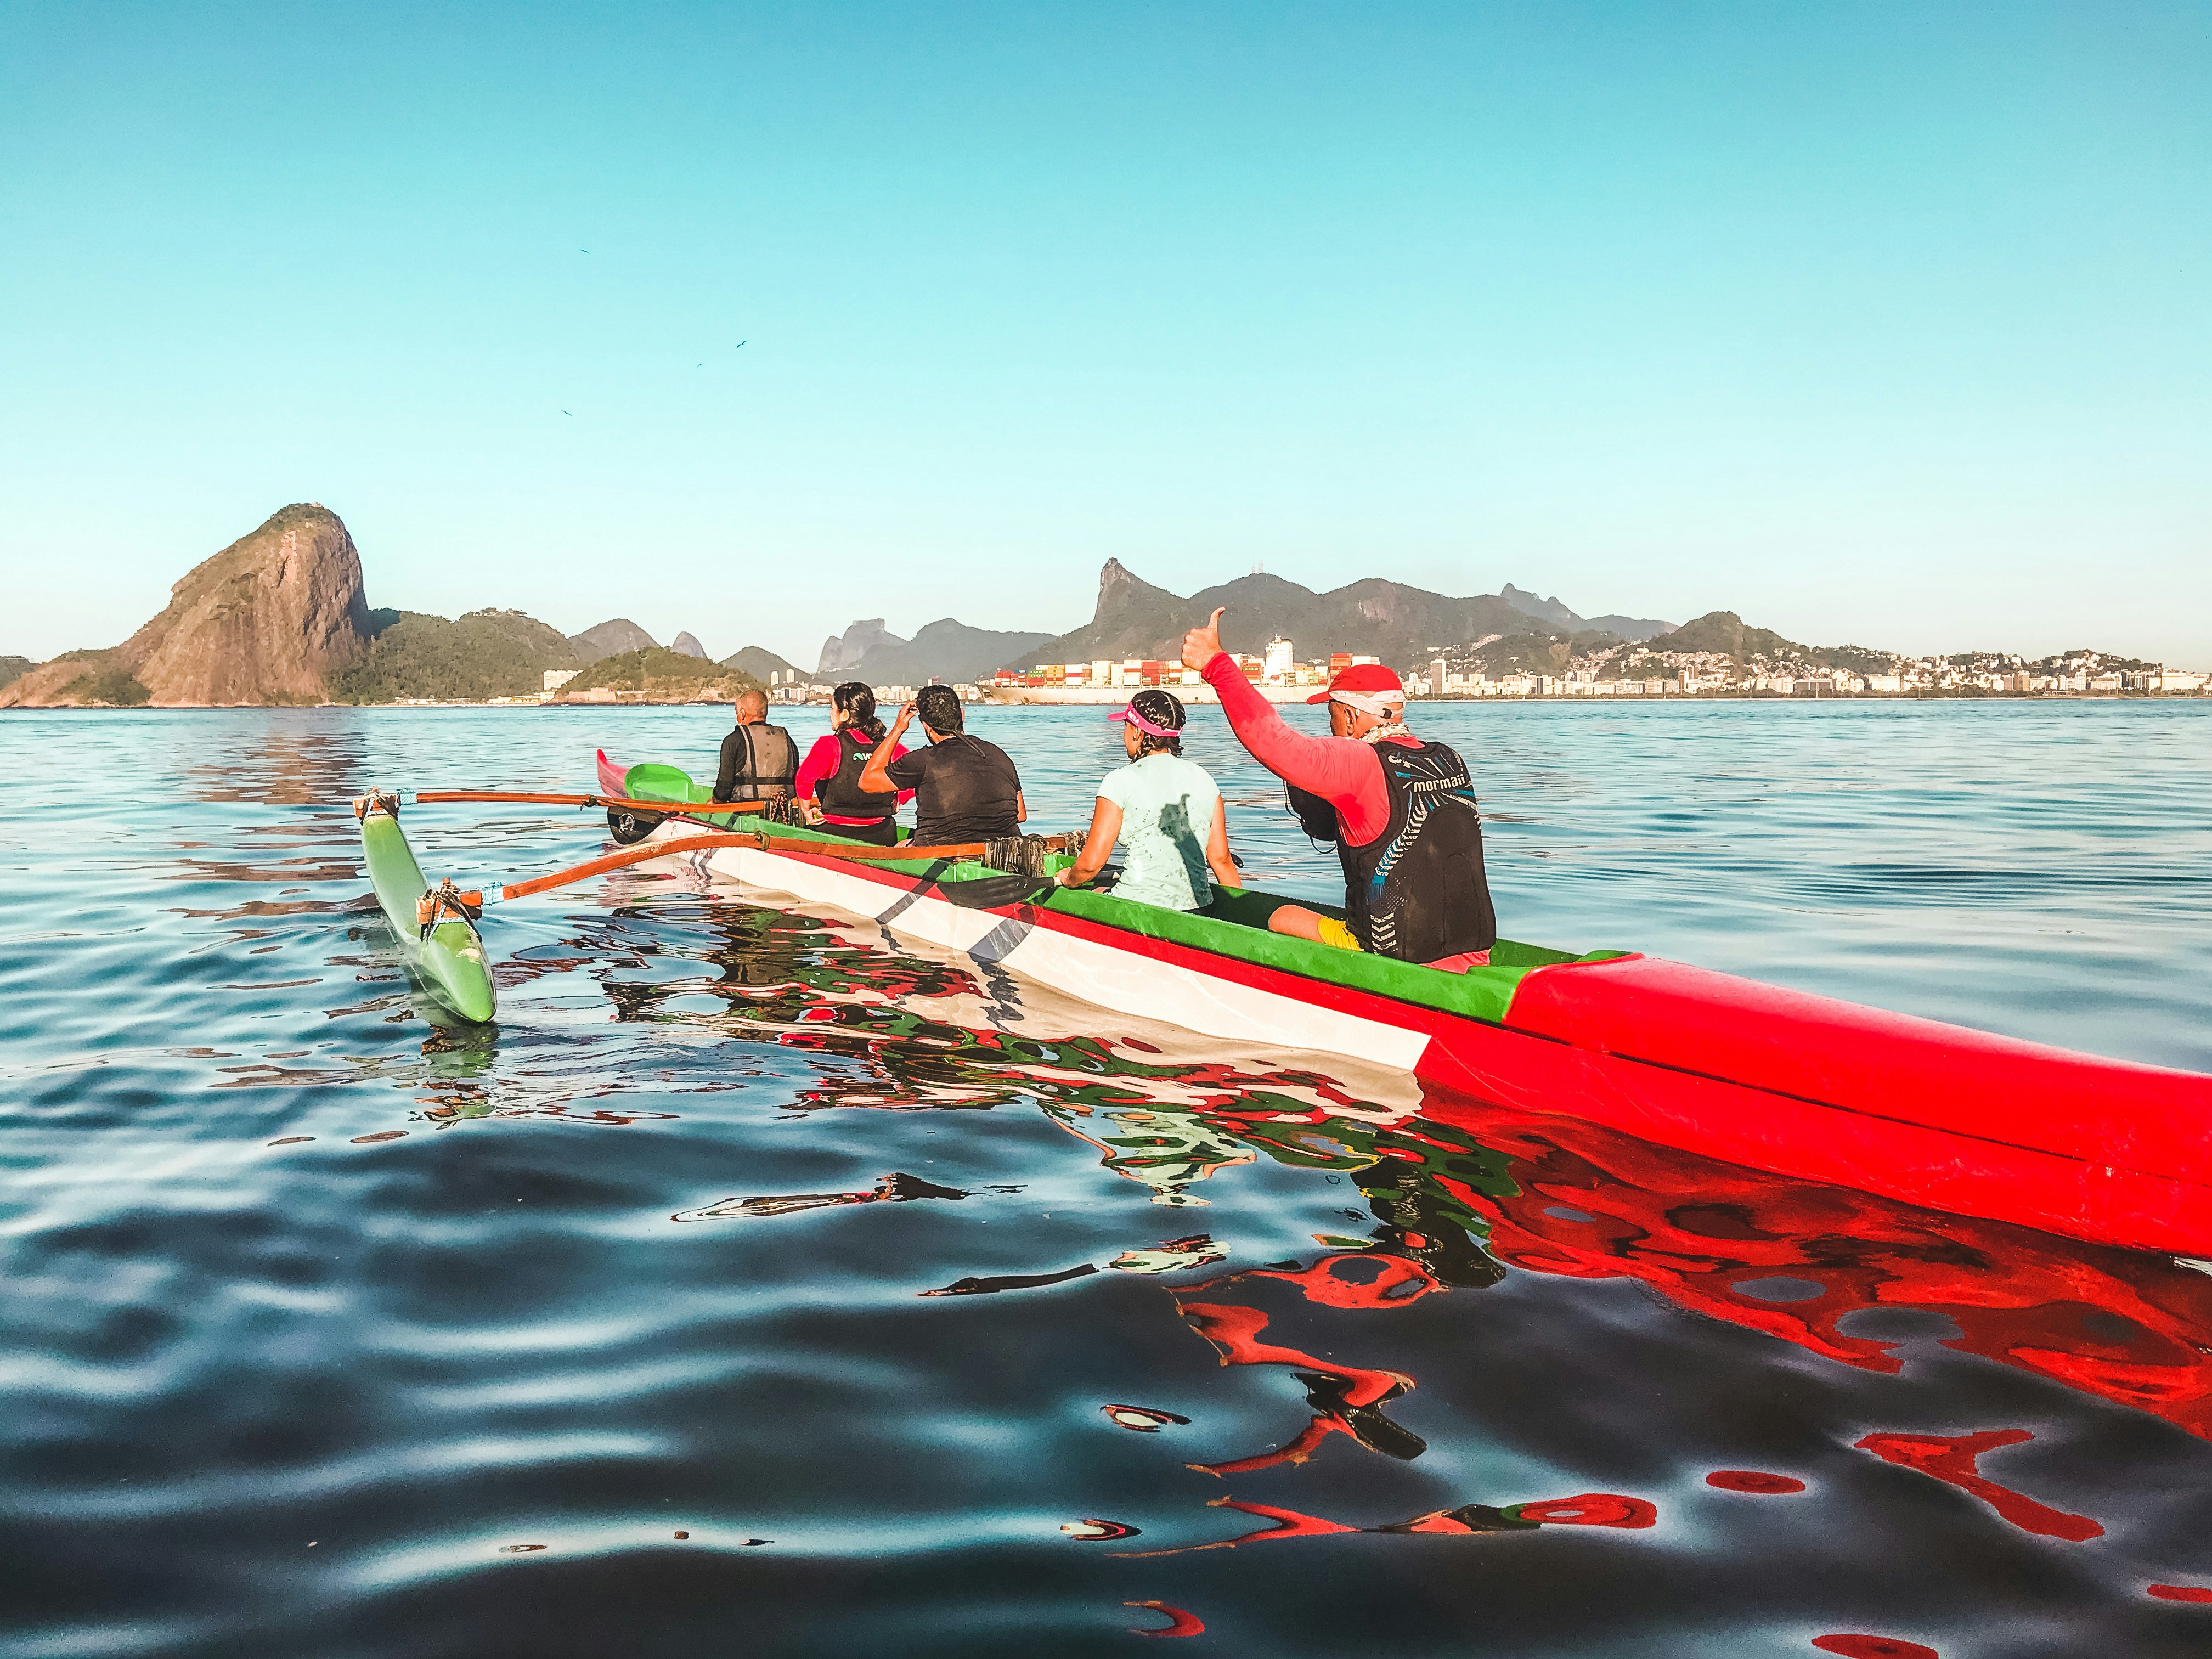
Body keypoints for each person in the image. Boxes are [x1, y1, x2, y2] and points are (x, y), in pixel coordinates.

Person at [1180, 607, 1495, 971]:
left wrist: (1216, 665)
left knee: (1279, 918)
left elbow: (1275, 743)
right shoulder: (1448, 759)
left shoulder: (1359, 762)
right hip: (1472, 952)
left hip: (1390, 957)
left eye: (1330, 713)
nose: (1330, 725)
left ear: (1349, 716)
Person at [1056, 688, 1240, 911]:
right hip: (1197, 907)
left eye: (1125, 725)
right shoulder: (1205, 779)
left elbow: (1090, 866)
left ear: (1136, 731)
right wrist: (1238, 912)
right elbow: (1221, 860)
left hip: (1139, 904)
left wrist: (1069, 880)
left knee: (1090, 893)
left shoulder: (1118, 781)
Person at [858, 684, 1025, 847]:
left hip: (943, 852)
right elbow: (1020, 814)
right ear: (962, 715)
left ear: (925, 726)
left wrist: (898, 729)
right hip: (1003, 852)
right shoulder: (998, 755)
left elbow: (867, 782)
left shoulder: (922, 760)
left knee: (900, 846)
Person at [793, 682, 914, 845]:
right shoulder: (890, 747)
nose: (830, 714)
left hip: (835, 833)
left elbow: (805, 778)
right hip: (882, 832)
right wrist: (900, 798)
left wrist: (806, 810)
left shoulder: (830, 745)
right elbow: (916, 775)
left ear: (844, 715)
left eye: (832, 708)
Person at [713, 687, 798, 804]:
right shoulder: (787, 739)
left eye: (736, 711)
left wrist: (715, 800)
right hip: (783, 807)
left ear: (742, 713)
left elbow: (724, 787)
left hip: (745, 809)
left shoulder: (733, 740)